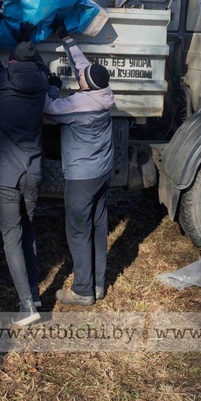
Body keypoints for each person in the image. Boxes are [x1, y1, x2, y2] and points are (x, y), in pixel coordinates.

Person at [0, 0, 50, 326]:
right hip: (32, 172)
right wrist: (31, 42)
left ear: (11, 61)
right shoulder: (42, 85)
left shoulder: (1, 81)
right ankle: (33, 295)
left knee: (11, 236)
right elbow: (43, 68)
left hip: (6, 175)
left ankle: (28, 306)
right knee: (27, 231)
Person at [43, 28, 115, 306]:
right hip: (101, 173)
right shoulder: (104, 94)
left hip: (82, 177)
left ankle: (83, 291)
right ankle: (98, 284)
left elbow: (48, 108)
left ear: (86, 85)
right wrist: (67, 40)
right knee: (98, 227)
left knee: (78, 231)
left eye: (82, 79)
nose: (79, 76)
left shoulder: (78, 104)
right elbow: (85, 69)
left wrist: (51, 86)